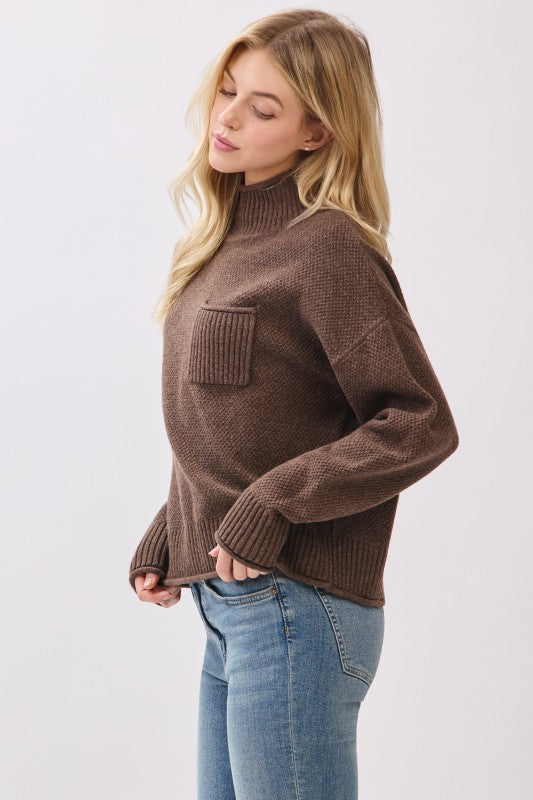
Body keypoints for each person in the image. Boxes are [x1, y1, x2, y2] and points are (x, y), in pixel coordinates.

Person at [128, 9, 459, 800]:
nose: (228, 118)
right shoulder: (217, 248)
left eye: (263, 108)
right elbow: (247, 427)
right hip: (232, 605)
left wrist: (273, 502)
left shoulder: (328, 247)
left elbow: (418, 421)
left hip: (294, 605)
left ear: (316, 132)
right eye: (227, 92)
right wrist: (175, 525)